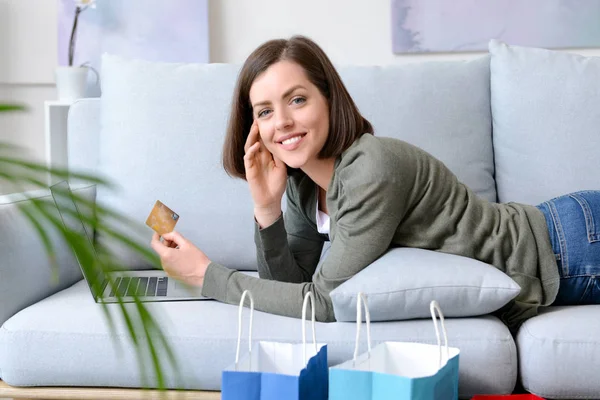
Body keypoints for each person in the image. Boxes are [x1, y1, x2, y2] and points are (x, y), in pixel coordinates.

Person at [150, 35, 600, 333]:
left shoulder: (371, 168)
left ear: (330, 97)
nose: (282, 122)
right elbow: (291, 289)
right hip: (564, 238)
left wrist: (204, 275)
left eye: (298, 100)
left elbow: (322, 304)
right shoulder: (303, 186)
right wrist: (267, 211)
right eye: (265, 111)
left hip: (570, 246)